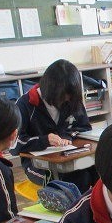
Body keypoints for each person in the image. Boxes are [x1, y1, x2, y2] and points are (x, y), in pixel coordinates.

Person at [11, 59, 96, 193]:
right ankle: (76, 206)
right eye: (64, 95)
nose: (67, 99)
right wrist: (44, 140)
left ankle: (98, 205)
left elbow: (84, 127)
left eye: (70, 95)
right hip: (38, 166)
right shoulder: (25, 104)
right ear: (51, 88)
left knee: (99, 170)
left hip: (70, 157)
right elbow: (14, 145)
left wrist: (67, 136)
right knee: (79, 179)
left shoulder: (72, 99)